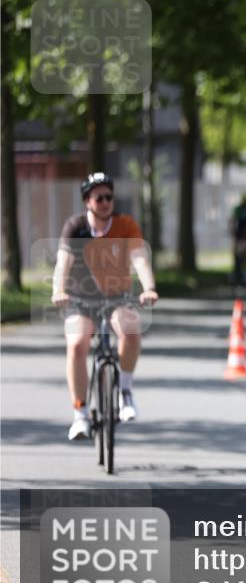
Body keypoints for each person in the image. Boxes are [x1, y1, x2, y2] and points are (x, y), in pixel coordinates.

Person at [51, 172, 158, 441]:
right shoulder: (75, 227)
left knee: (131, 330)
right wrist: (58, 290)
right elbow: (63, 263)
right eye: (99, 198)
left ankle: (125, 391)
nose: (106, 202)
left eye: (109, 197)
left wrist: (148, 287)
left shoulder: (125, 225)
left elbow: (139, 258)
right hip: (79, 298)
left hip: (116, 296)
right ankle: (80, 414)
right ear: (88, 201)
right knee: (77, 344)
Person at [229, 193, 246, 285]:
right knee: (235, 251)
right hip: (238, 233)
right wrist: (232, 232)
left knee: (245, 251)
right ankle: (235, 270)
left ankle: (245, 271)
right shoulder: (238, 209)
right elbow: (232, 221)